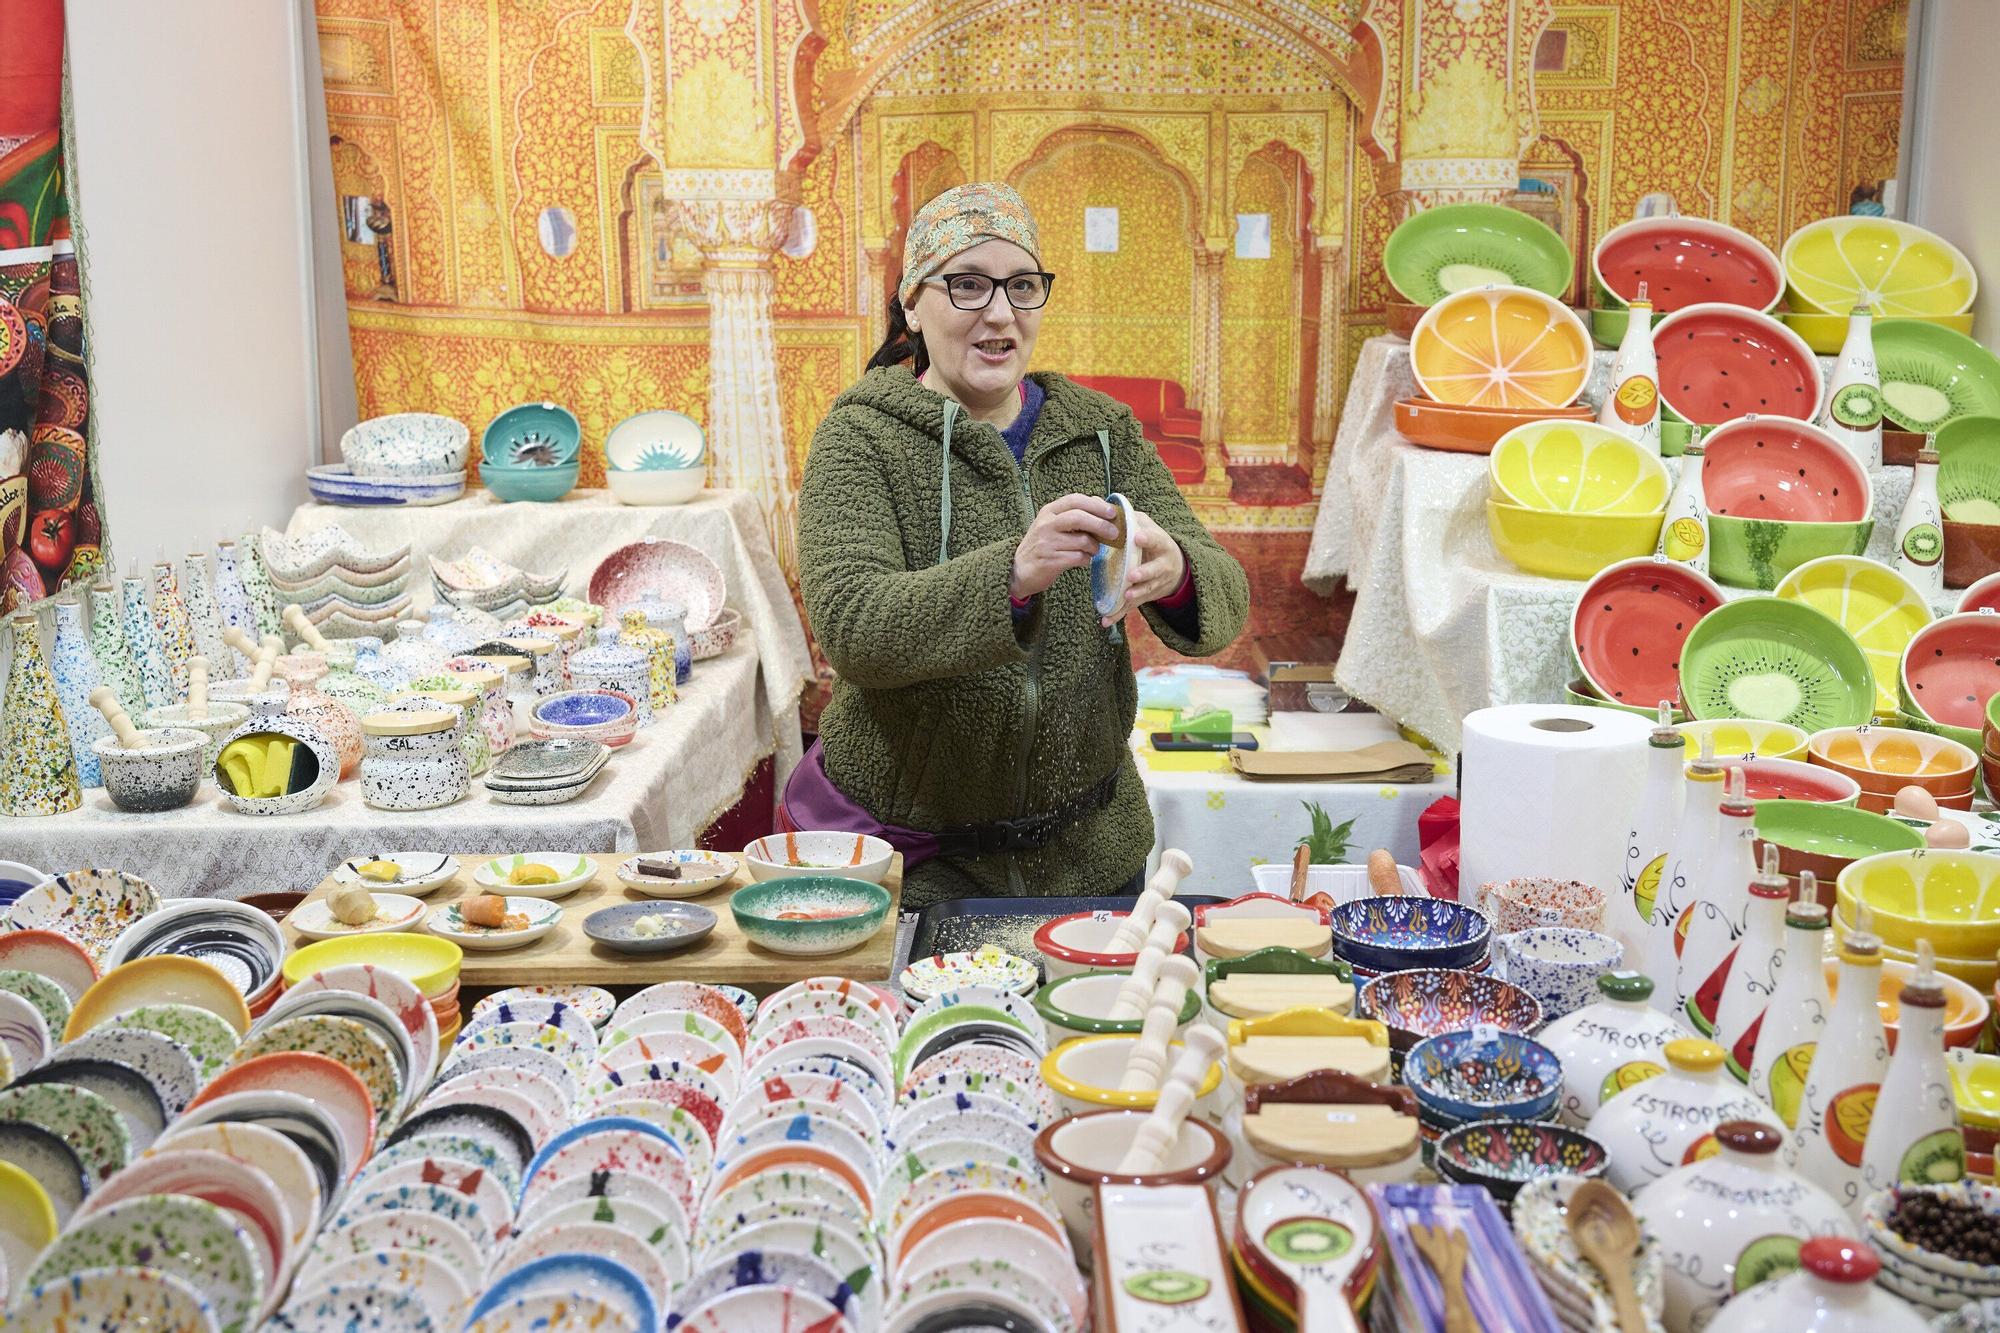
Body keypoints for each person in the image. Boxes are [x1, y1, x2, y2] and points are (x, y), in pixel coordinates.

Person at [789, 182, 1250, 910]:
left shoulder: (1100, 431)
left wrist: (1180, 572)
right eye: (967, 286)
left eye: (1022, 286)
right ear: (912, 301)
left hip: (1092, 857)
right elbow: (853, 626)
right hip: (920, 872)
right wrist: (1010, 574)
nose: (999, 313)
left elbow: (1225, 590)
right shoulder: (860, 435)